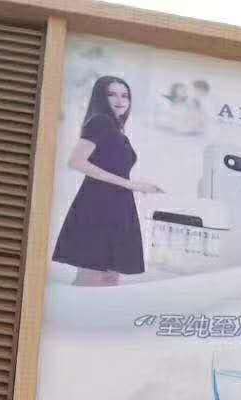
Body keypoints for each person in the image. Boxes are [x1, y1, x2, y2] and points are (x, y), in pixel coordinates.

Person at [52, 75, 162, 287]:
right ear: (101, 97)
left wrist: (137, 185)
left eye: (125, 95)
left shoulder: (115, 129)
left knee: (110, 279)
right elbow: (76, 161)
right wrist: (131, 185)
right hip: (98, 205)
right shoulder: (100, 122)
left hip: (117, 205)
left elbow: (112, 167)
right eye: (112, 94)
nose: (120, 100)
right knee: (93, 277)